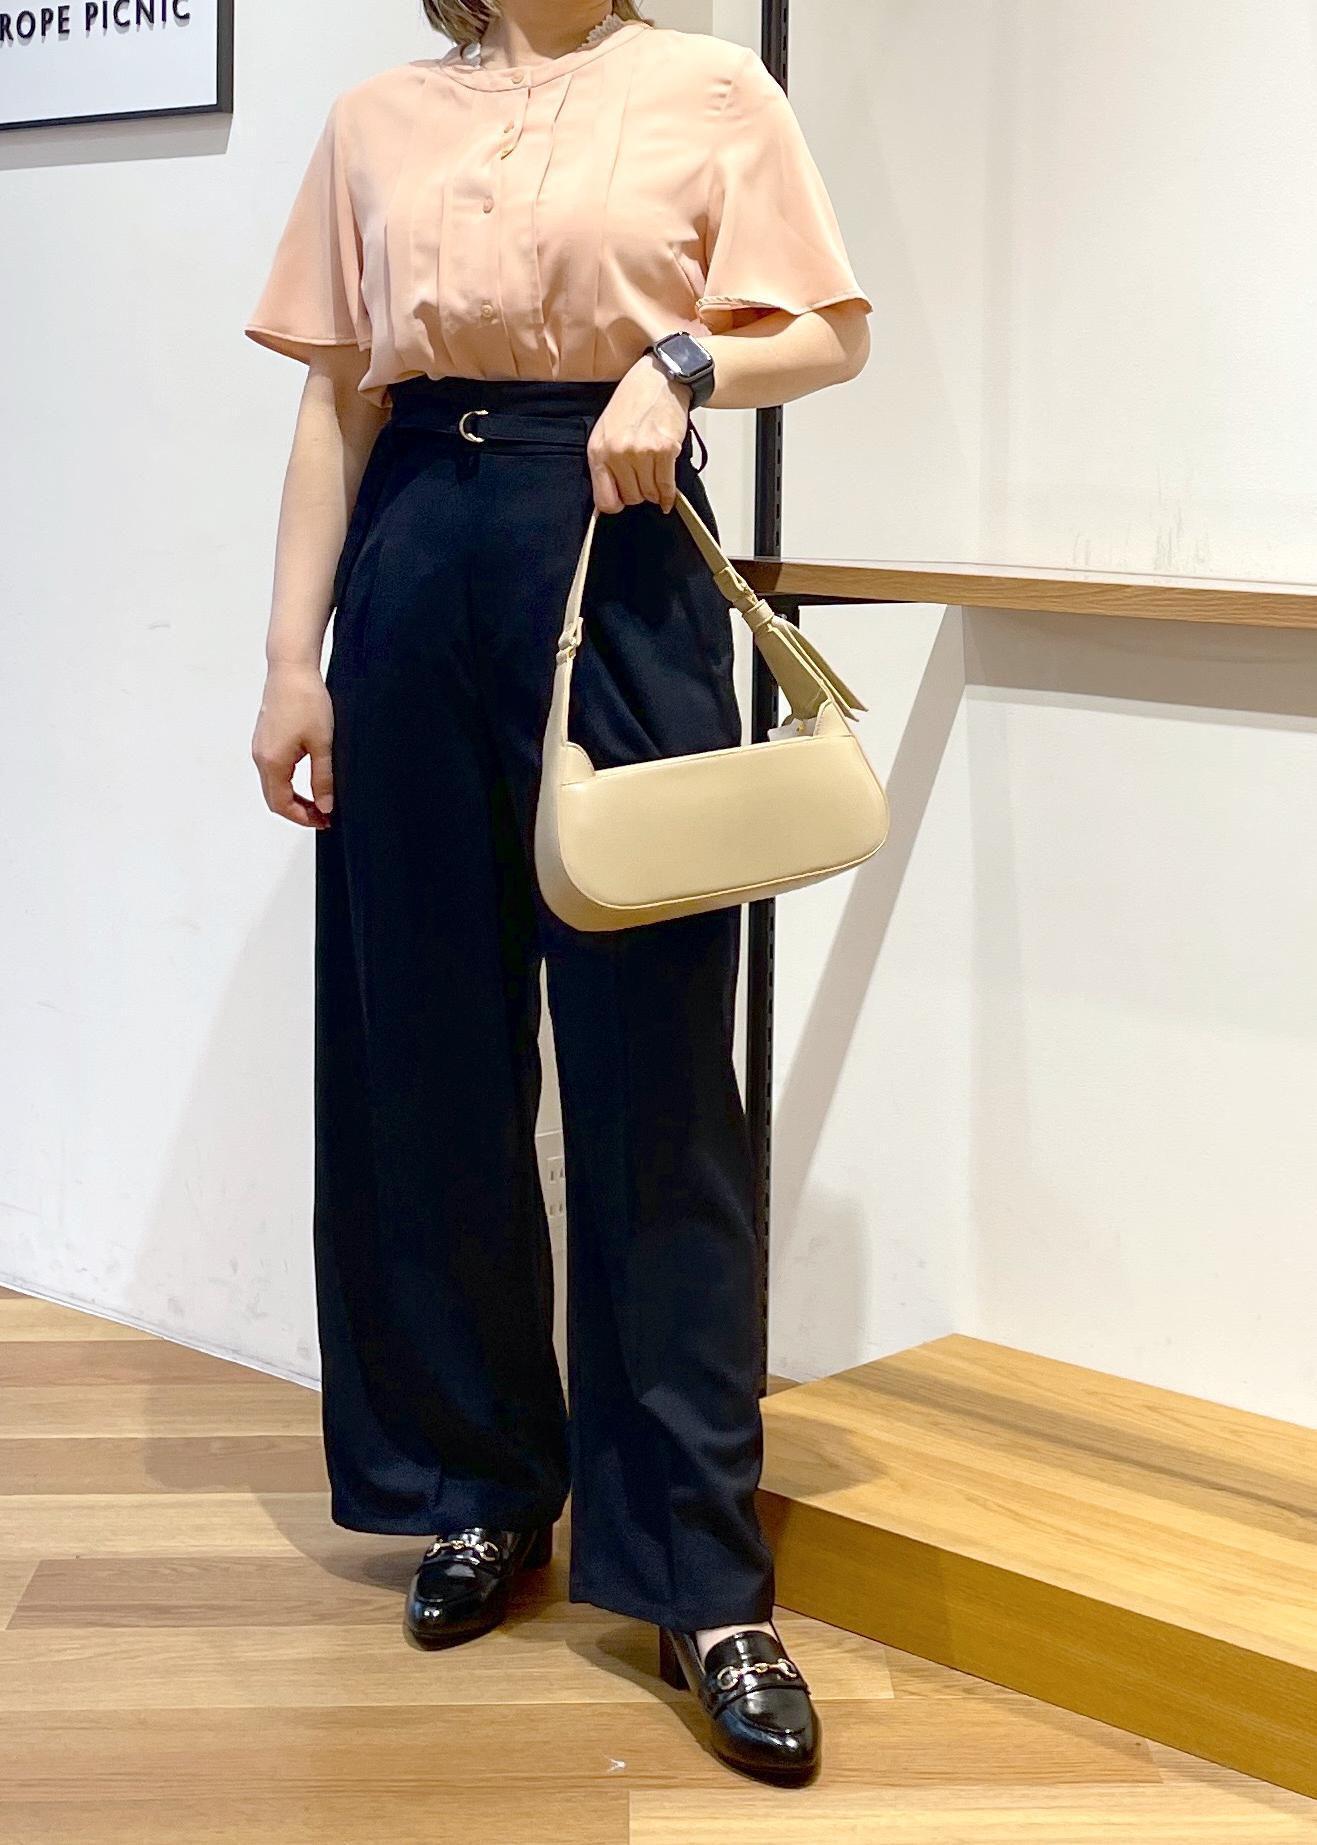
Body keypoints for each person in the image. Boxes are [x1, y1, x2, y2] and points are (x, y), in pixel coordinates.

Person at [245, 0, 871, 1786]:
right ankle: (482, 1479)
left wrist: (680, 364)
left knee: (657, 1080)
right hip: (412, 570)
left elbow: (827, 329)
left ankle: (697, 1571)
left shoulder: (709, 89)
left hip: (625, 562)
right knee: (425, 1062)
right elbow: (336, 398)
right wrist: (292, 659)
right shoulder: (376, 118)